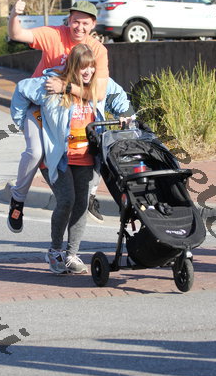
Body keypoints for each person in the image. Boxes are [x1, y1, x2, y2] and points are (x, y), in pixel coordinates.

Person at [10, 44, 132, 274]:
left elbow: (120, 100)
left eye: (91, 67)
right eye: (83, 67)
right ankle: (55, 252)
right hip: (58, 157)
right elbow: (21, 89)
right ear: (73, 66)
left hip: (86, 157)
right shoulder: (52, 84)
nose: (88, 72)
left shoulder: (99, 85)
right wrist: (22, 123)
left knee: (81, 205)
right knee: (67, 200)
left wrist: (127, 116)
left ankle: (71, 255)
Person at [7, 0, 109, 233]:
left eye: (85, 23)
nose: (79, 27)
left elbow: (99, 93)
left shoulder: (98, 50)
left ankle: (90, 196)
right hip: (42, 106)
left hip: (70, 109)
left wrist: (66, 87)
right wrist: (14, 14)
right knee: (36, 151)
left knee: (101, 146)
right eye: (75, 21)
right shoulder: (54, 35)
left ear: (93, 25)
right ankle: (18, 199)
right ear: (68, 20)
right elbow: (17, 34)